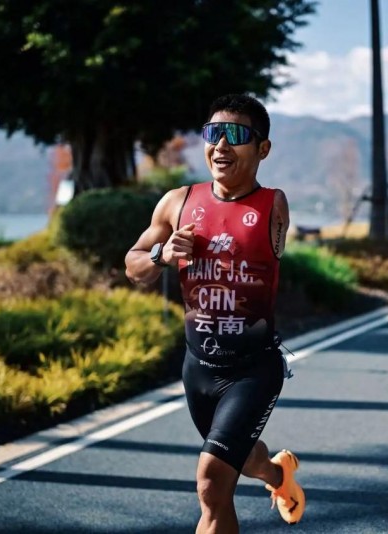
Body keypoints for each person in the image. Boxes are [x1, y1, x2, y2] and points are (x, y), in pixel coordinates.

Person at [125, 93, 304, 533]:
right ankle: (278, 475)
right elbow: (133, 265)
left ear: (263, 148)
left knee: (211, 482)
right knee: (241, 458)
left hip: (252, 371)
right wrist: (162, 254)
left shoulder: (273, 205)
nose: (221, 145)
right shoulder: (177, 202)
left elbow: (244, 228)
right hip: (198, 369)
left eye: (236, 135)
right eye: (213, 133)